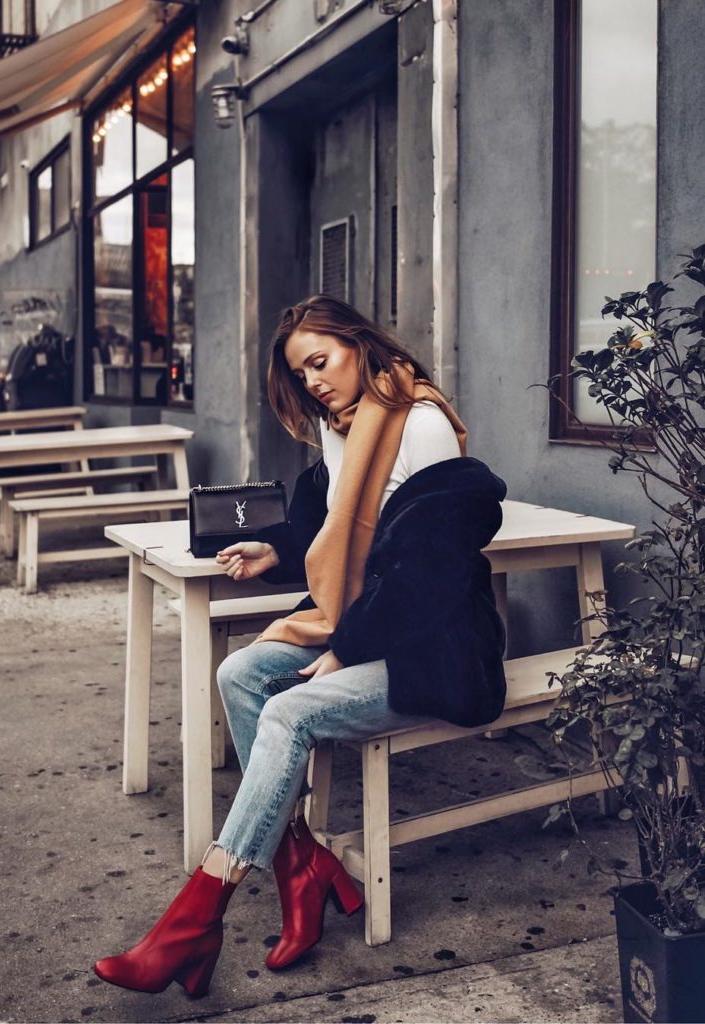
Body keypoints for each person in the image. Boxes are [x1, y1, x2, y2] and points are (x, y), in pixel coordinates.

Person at [93, 295, 508, 998]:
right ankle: (303, 864)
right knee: (244, 672)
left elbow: (423, 573)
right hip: (369, 632)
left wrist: (345, 648)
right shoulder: (341, 431)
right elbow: (334, 536)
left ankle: (197, 916)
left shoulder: (422, 424)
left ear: (360, 346)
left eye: (322, 361)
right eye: (301, 371)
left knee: (290, 712)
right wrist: (274, 548)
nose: (313, 381)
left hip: (438, 652)